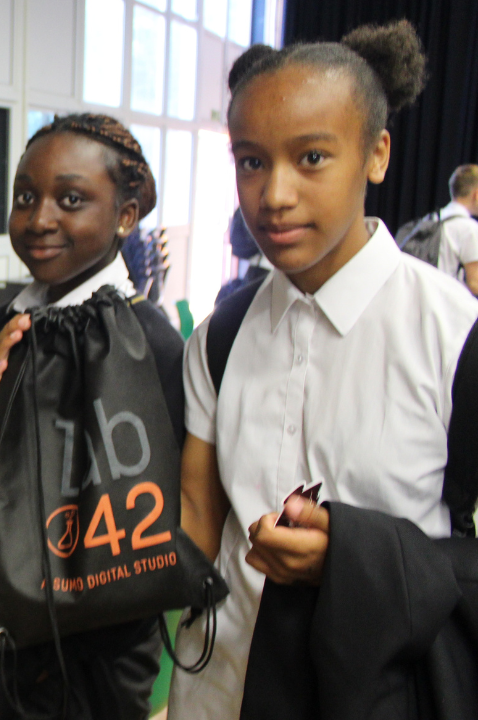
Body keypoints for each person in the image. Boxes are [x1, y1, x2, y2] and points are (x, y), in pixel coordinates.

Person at [159, 21, 476, 719]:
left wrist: (355, 562)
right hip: (221, 688)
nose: (273, 194)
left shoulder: (454, 335)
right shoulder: (221, 335)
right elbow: (197, 524)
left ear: (376, 153)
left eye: (310, 158)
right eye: (250, 161)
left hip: (382, 692)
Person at [0, 113, 181, 719]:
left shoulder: (146, 346)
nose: (39, 219)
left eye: (71, 199)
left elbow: (139, 540)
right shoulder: (10, 323)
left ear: (125, 216)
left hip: (86, 675)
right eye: (25, 197)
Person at [437, 164, 478, 295]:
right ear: (476, 195)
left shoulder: (432, 219)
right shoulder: (469, 228)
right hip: (447, 306)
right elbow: (474, 283)